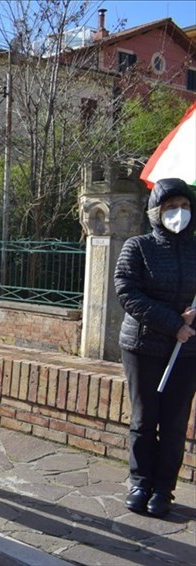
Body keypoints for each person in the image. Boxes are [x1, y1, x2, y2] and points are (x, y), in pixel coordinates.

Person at [114, 177, 196, 518]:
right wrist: (173, 324)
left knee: (175, 422)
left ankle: (164, 489)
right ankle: (140, 481)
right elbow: (127, 291)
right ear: (156, 212)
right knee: (144, 418)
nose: (179, 213)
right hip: (142, 346)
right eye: (171, 207)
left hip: (187, 352)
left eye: (186, 207)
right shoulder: (138, 246)